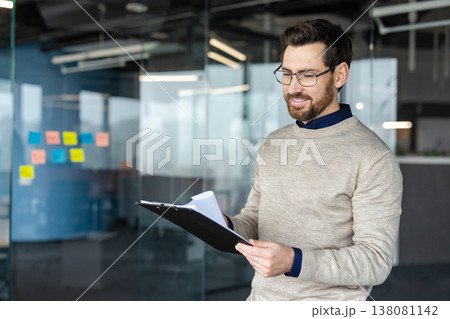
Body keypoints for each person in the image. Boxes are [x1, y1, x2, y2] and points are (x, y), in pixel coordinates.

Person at [223, 19, 403, 301]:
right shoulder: (273, 143)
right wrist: (224, 225)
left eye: (307, 75)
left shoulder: (373, 157)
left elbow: (376, 261)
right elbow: (255, 220)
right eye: (287, 74)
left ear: (340, 75)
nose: (293, 88)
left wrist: (294, 261)